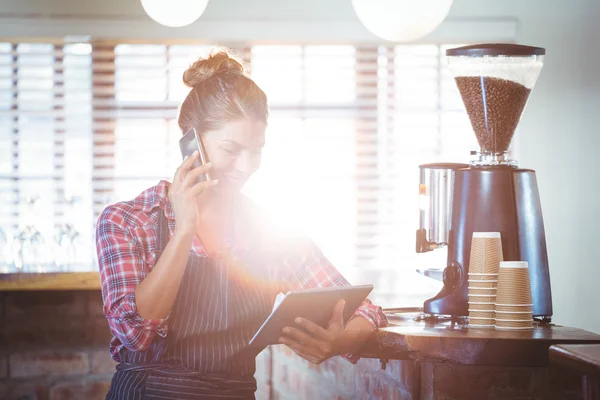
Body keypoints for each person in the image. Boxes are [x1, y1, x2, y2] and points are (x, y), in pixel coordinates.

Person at [96, 48, 388, 400]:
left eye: (257, 150)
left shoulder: (268, 230)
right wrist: (185, 229)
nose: (246, 166)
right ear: (192, 142)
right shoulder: (126, 221)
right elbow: (136, 333)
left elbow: (363, 308)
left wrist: (344, 338)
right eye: (231, 149)